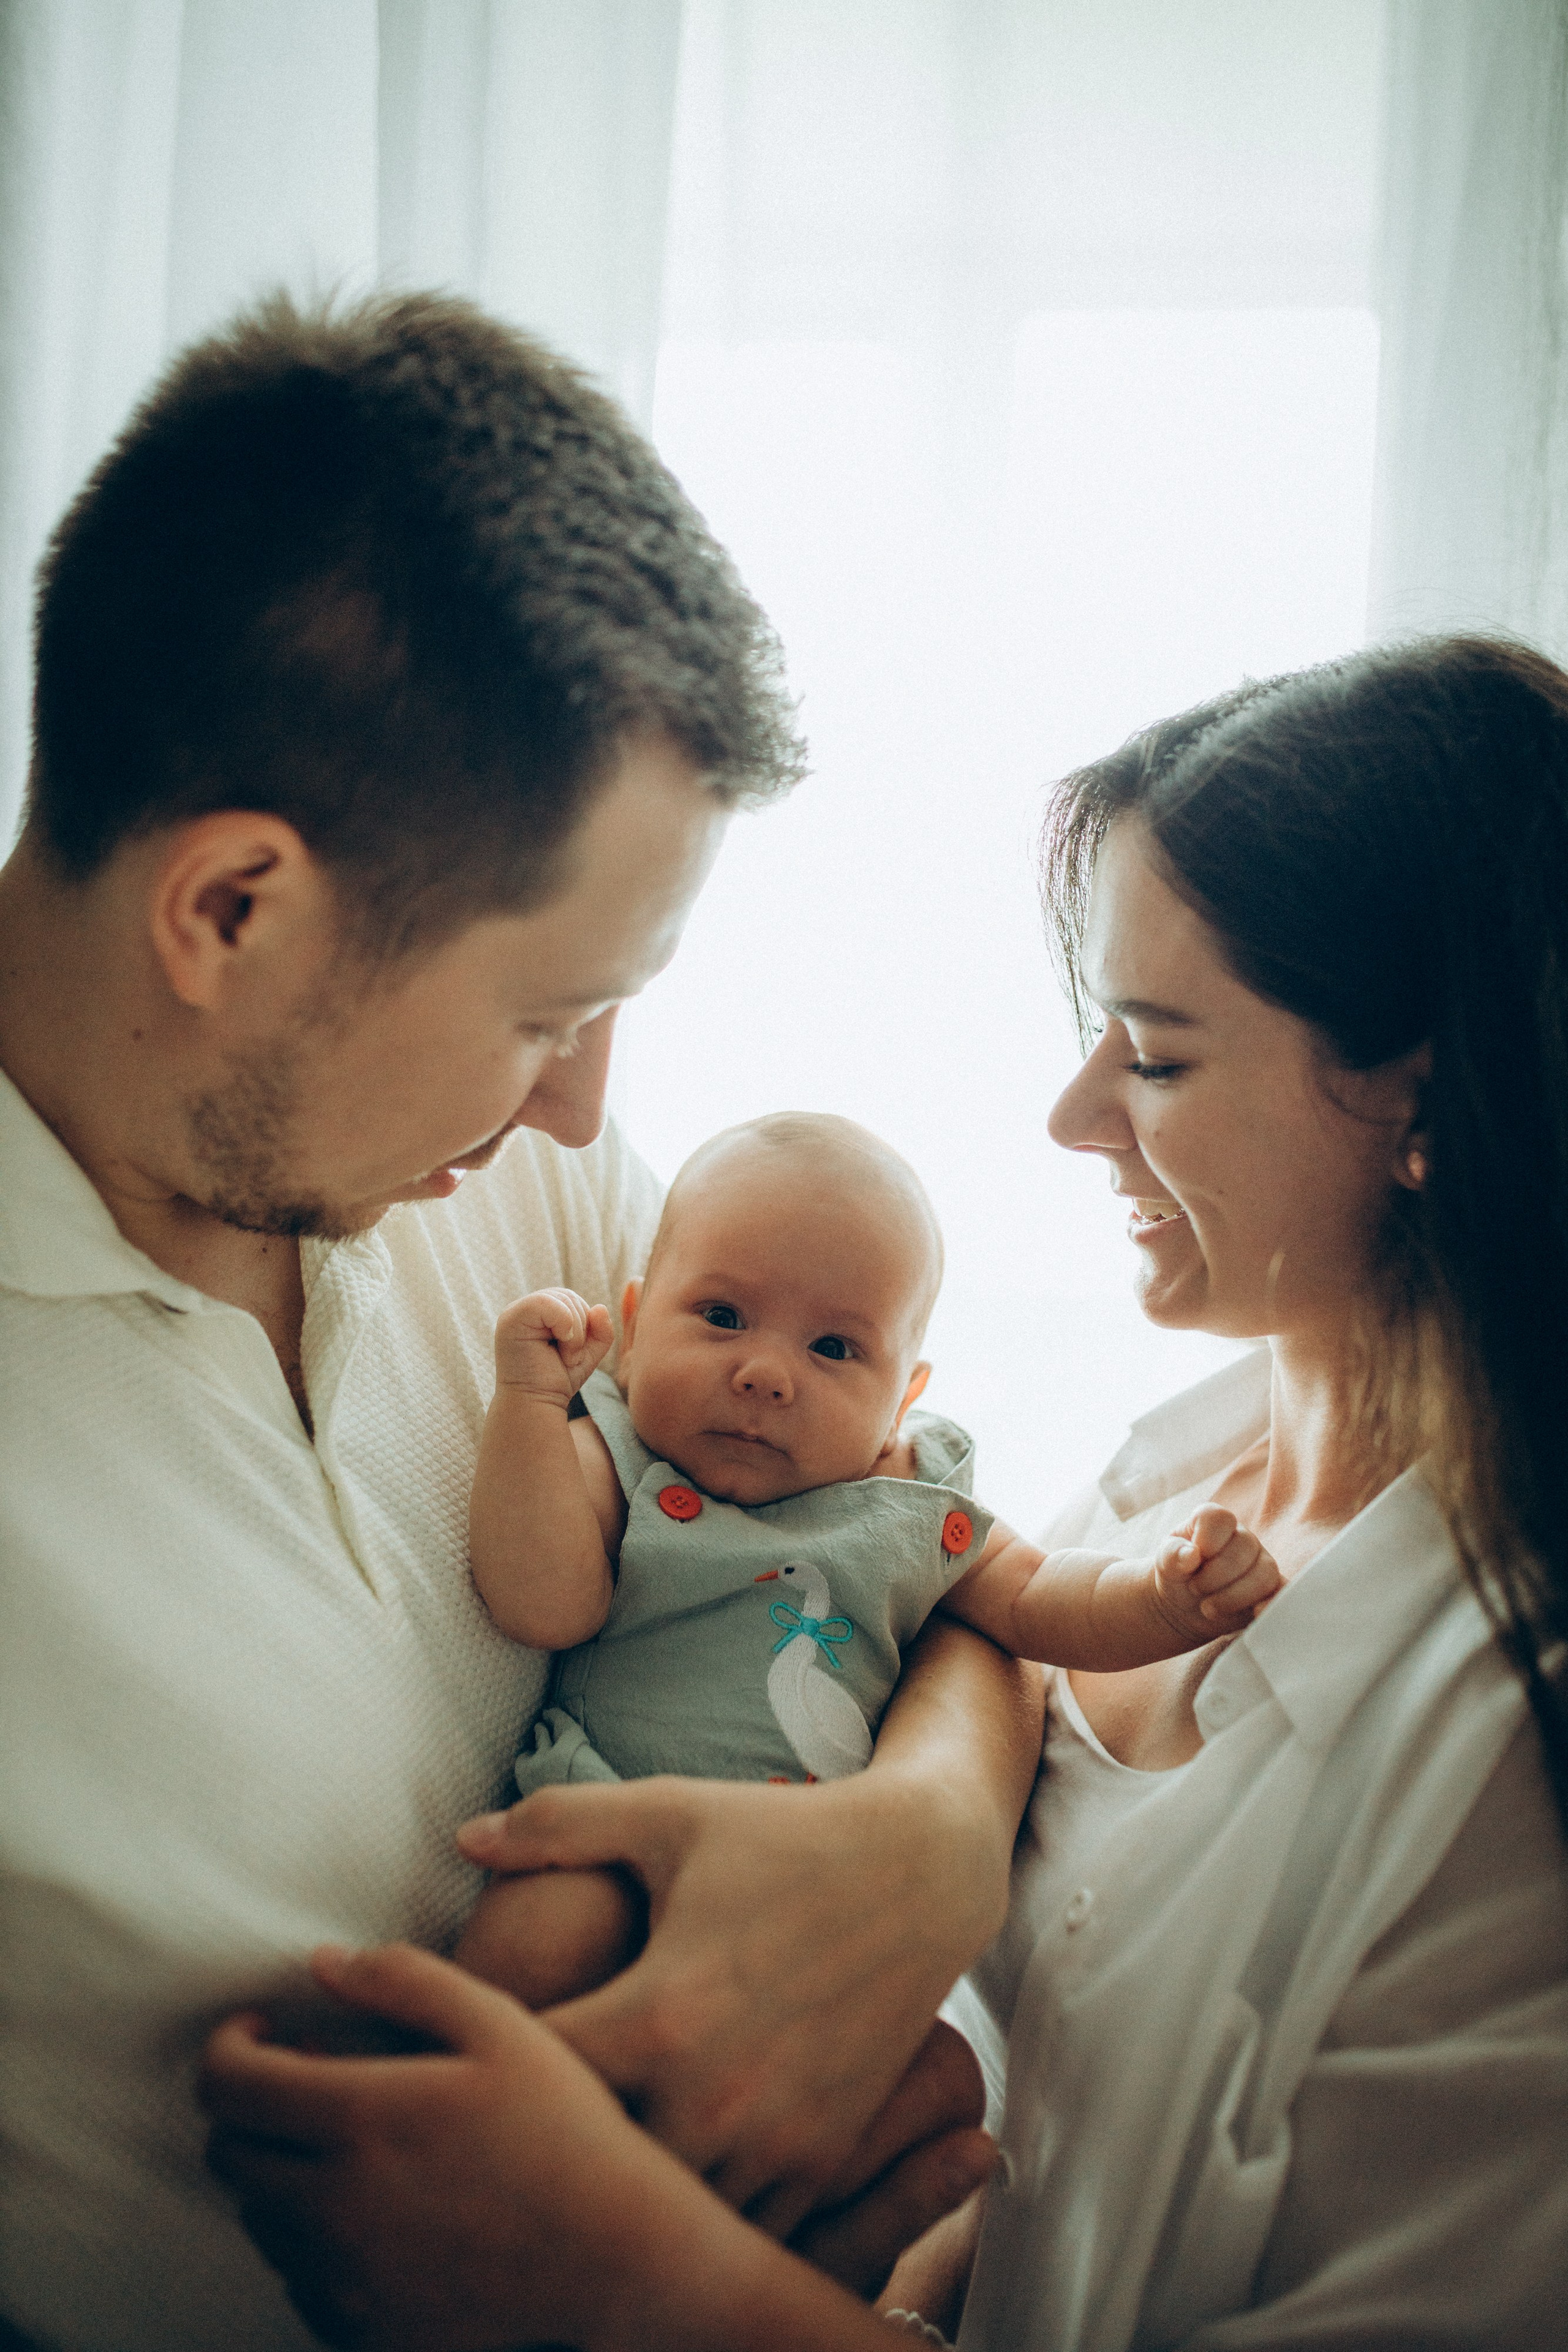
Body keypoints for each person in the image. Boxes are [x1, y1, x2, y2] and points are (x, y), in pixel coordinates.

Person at [203, 635, 1568, 2349]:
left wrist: (639, 2277)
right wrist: (927, 1825)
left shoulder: (1511, 1745)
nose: (1076, 1115)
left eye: (1155, 1057)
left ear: (1425, 1102)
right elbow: (965, 1602)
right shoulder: (1174, 1468)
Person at [0, 291, 1042, 2352]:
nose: (590, 1103)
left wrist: (927, 1844)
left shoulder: (529, 1189)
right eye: (548, 1013)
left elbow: (898, 1541)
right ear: (233, 911)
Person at [456, 1111, 1278, 2007]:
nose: (767, 1373)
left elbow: (1041, 1595)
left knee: (941, 2086)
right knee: (536, 1945)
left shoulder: (910, 1506)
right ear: (636, 1320)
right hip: (611, 1824)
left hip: (822, 1898)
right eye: (723, 1317)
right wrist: (529, 1407)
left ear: (904, 1398)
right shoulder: (619, 1451)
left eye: (835, 1348)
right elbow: (544, 1604)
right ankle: (431, 2099)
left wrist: (1160, 1598)